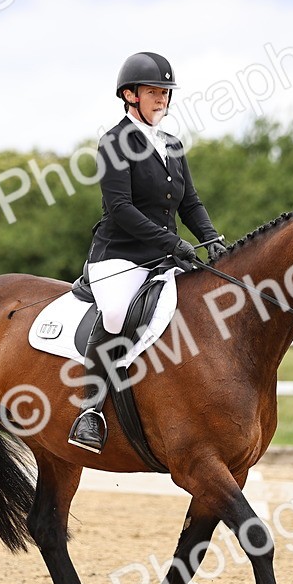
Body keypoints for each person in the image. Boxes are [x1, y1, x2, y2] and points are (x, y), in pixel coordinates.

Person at [67, 51, 224, 453]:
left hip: (164, 256)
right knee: (117, 313)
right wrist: (173, 242)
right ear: (130, 95)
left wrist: (211, 239)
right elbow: (121, 209)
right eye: (154, 92)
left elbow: (190, 203)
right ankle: (90, 410)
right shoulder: (115, 142)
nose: (162, 99)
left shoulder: (172, 144)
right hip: (118, 256)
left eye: (166, 92)